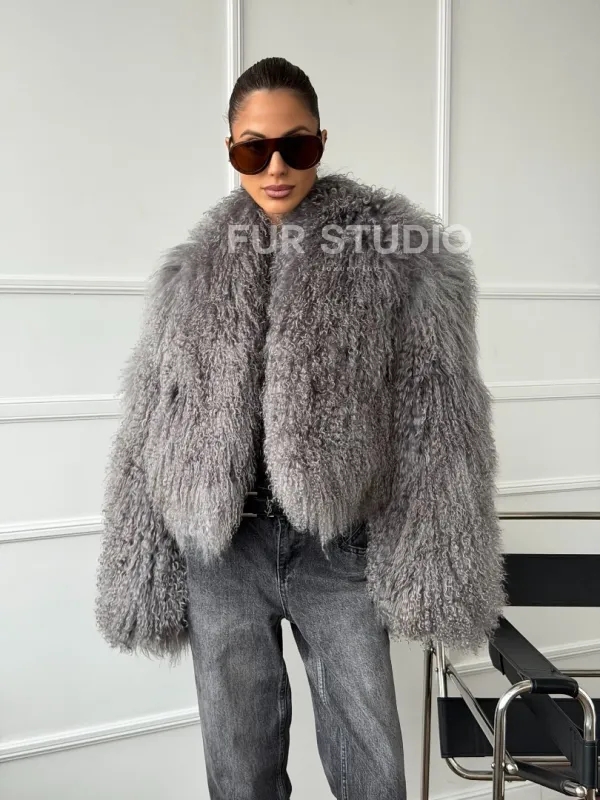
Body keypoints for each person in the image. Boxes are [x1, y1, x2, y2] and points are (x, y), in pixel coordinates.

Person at [95, 57, 507, 799]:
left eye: (297, 145)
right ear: (230, 149)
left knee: (370, 770)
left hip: (337, 546)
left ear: (322, 140)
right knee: (239, 771)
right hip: (222, 550)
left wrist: (435, 560)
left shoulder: (399, 257)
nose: (276, 166)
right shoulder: (192, 272)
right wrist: (142, 561)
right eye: (253, 149)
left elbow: (441, 421)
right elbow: (152, 423)